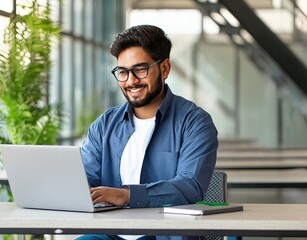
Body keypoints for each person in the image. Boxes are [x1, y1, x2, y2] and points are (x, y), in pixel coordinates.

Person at [78, 25, 218, 240]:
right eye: (123, 72)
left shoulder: (195, 122)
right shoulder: (104, 124)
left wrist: (127, 195)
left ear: (164, 69)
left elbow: (190, 186)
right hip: (111, 234)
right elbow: (85, 177)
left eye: (140, 69)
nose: (131, 81)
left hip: (166, 235)